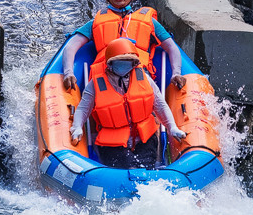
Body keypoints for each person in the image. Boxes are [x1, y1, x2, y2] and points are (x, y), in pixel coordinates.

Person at [64, 0, 186, 165]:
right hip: (106, 78)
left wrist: (177, 73)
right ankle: (97, 150)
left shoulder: (148, 21)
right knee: (106, 112)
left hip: (139, 77)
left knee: (147, 108)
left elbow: (171, 46)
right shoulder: (97, 22)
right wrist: (69, 73)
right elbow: (71, 46)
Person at [70, 37, 186, 169]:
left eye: (129, 62)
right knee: (128, 167)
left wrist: (172, 127)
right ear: (110, 64)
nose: (125, 65)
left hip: (144, 138)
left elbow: (160, 105)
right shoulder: (96, 84)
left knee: (145, 168)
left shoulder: (144, 79)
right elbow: (83, 109)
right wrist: (77, 127)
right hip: (112, 143)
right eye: (120, 61)